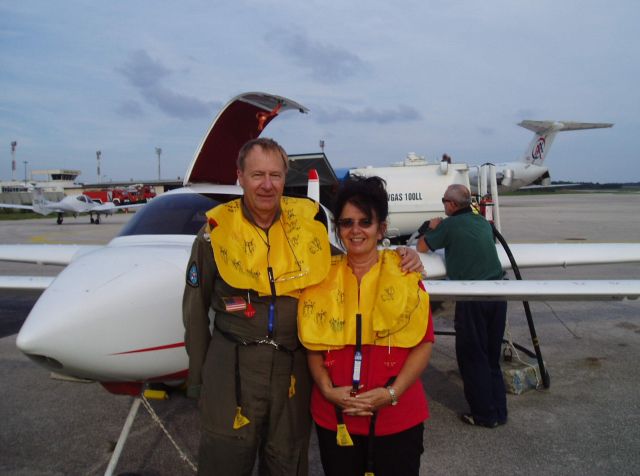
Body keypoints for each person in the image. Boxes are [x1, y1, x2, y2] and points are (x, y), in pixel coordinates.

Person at [182, 138, 424, 476]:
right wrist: (199, 380)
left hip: (291, 368)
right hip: (233, 366)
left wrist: (399, 256)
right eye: (257, 175)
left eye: (275, 175)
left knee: (286, 460)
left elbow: (348, 258)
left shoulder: (306, 228)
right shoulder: (214, 235)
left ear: (284, 179)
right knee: (225, 458)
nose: (267, 185)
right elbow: (195, 312)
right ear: (240, 176)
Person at [298, 175, 434, 476]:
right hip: (335, 416)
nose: (356, 231)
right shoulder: (319, 279)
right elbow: (312, 344)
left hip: (397, 418)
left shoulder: (405, 275)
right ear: (337, 229)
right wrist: (326, 389)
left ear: (381, 228)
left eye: (365, 222)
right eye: (347, 223)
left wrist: (392, 393)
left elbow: (424, 342)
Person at [416, 184, 507, 428]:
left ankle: (484, 415)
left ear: (453, 205)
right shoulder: (481, 221)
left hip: (473, 297)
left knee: (472, 356)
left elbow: (421, 247)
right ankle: (499, 410)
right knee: (490, 356)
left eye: (445, 200)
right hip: (498, 294)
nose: (443, 204)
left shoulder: (450, 224)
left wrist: (432, 228)